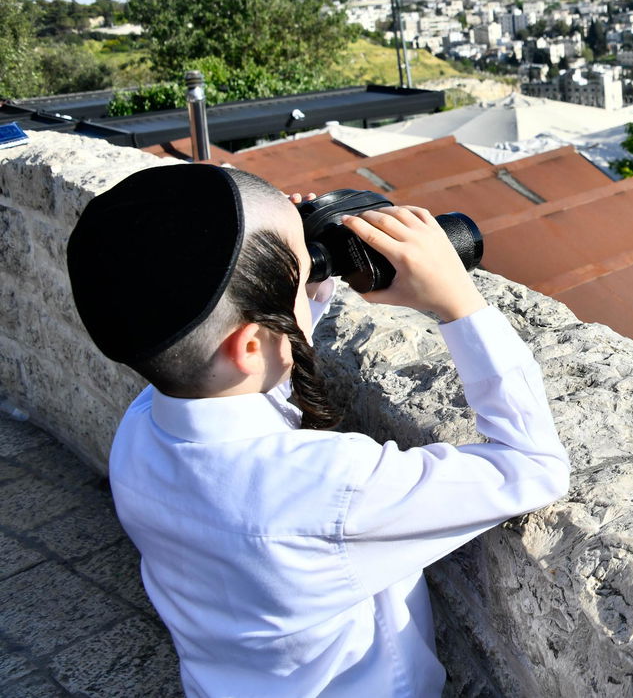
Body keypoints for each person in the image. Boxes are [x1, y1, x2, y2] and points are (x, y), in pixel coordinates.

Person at [65, 163, 570, 698]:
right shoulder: (330, 488)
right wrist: (458, 302)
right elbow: (533, 466)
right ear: (253, 343)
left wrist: (295, 276)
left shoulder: (143, 430)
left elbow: (251, 377)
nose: (311, 282)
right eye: (305, 273)